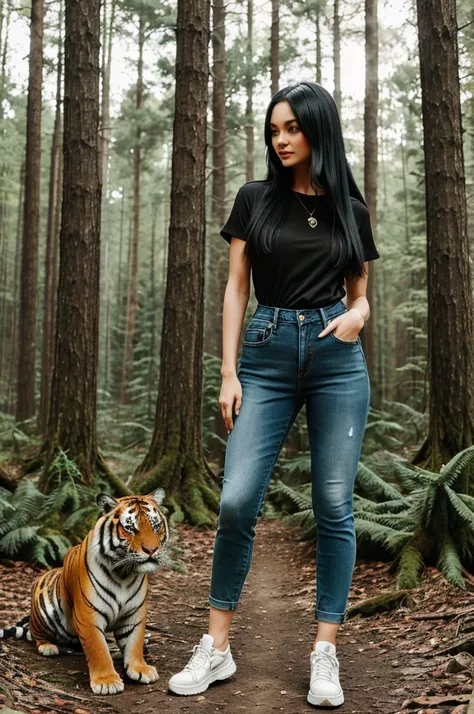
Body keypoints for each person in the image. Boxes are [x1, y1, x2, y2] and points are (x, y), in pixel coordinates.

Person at [168, 81, 380, 708]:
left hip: (336, 360)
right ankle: (218, 647)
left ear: (318, 130)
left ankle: (325, 652)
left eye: (291, 128)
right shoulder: (255, 199)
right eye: (273, 130)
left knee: (334, 504)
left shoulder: (350, 207)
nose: (280, 139)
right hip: (264, 351)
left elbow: (361, 290)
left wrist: (359, 315)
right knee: (235, 501)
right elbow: (236, 288)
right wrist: (228, 372)